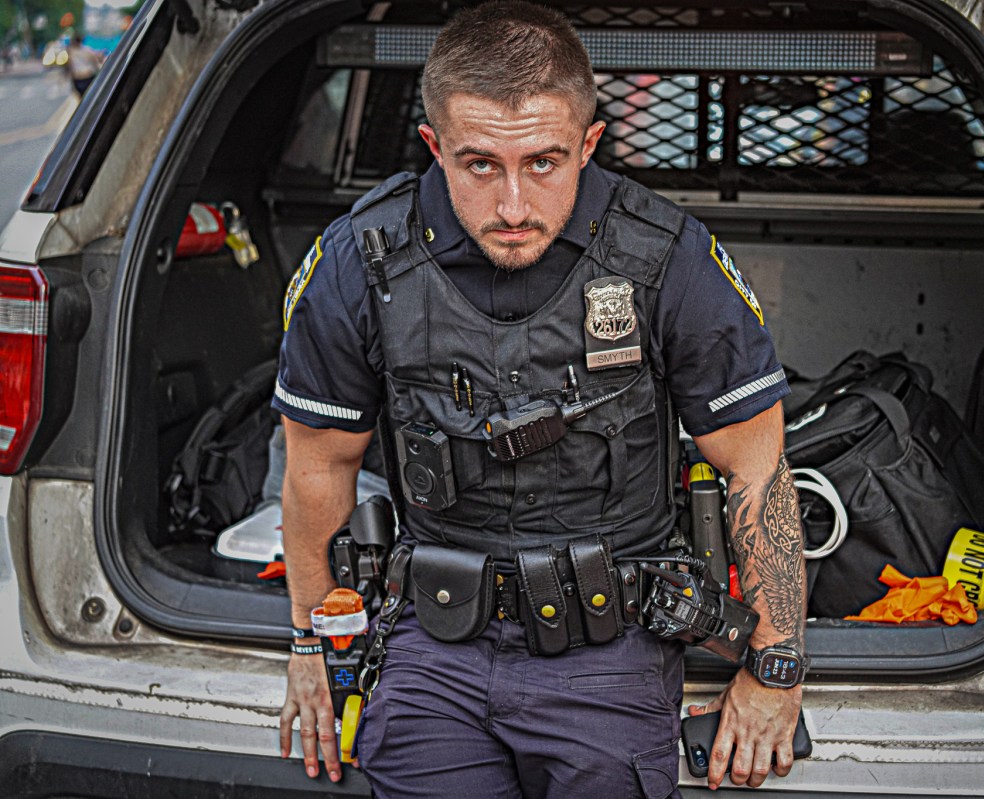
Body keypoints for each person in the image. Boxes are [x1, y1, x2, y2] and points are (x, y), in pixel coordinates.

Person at [273, 2, 807, 796]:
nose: (514, 207)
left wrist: (776, 669)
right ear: (434, 147)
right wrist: (313, 647)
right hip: (433, 644)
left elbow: (758, 470)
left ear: (589, 144)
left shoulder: (666, 259)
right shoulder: (359, 262)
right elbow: (319, 467)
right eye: (480, 165)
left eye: (546, 163)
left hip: (611, 650)